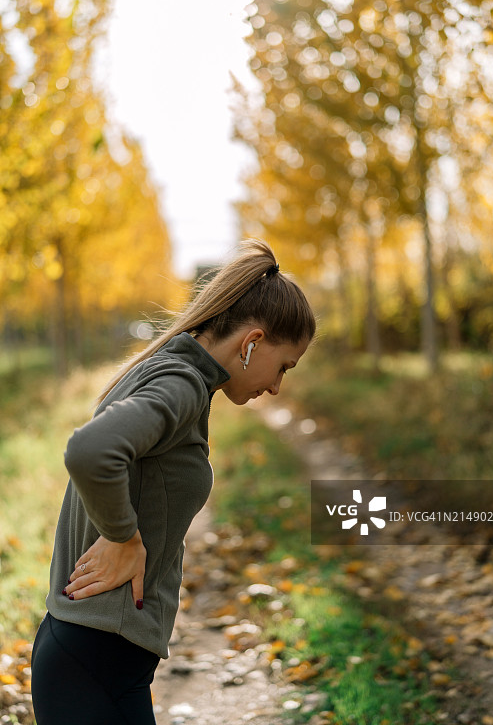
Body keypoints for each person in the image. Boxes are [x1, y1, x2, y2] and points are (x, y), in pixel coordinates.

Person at [30, 238, 316, 725]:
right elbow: (90, 450)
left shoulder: (172, 372)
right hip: (91, 658)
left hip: (100, 658)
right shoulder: (181, 384)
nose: (276, 386)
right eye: (283, 366)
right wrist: (124, 537)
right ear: (251, 342)